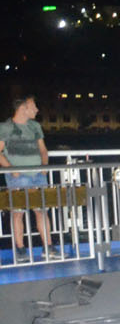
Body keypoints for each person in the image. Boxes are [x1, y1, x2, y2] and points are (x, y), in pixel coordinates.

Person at [3, 95, 55, 262]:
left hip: (38, 175)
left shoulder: (35, 126)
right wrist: (12, 170)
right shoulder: (5, 127)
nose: (37, 109)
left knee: (42, 212)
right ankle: (20, 249)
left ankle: (48, 248)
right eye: (33, 106)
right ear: (23, 108)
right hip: (18, 177)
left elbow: (43, 150)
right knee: (18, 213)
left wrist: (44, 168)